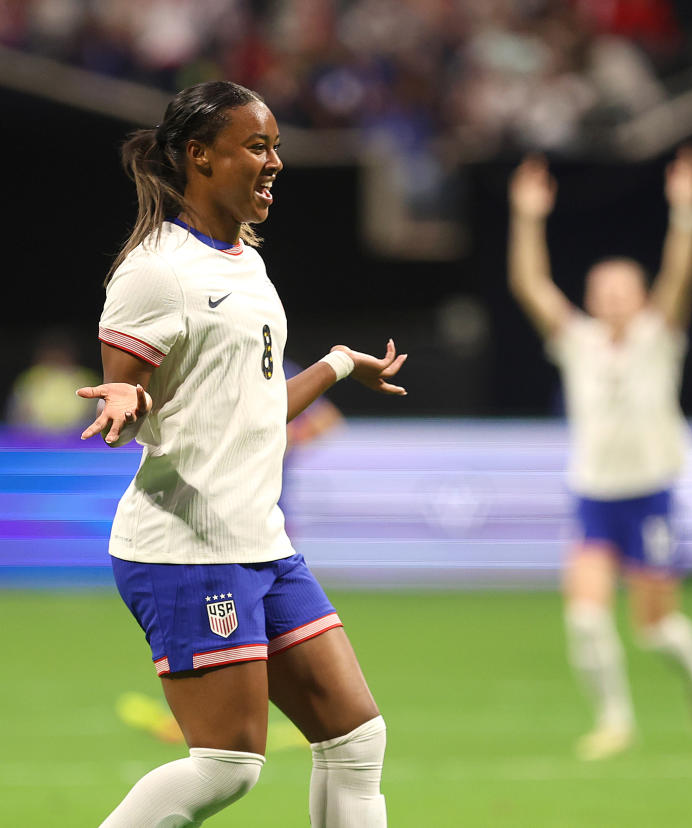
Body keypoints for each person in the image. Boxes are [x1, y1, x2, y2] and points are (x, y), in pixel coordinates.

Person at [77, 80, 405, 827]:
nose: (274, 162)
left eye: (276, 147)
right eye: (257, 146)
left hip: (258, 540)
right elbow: (121, 409)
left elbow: (253, 411)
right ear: (199, 155)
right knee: (227, 767)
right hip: (186, 548)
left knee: (356, 739)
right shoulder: (156, 271)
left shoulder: (244, 262)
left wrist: (339, 366)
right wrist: (126, 402)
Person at [508, 146, 692, 761]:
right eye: (601, 289)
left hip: (650, 494)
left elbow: (680, 277)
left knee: (655, 629)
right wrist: (528, 217)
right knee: (584, 616)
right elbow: (529, 284)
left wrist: (685, 211)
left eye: (622, 288)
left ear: (637, 295)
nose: (611, 297)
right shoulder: (576, 340)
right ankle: (614, 722)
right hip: (594, 496)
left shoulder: (660, 337)